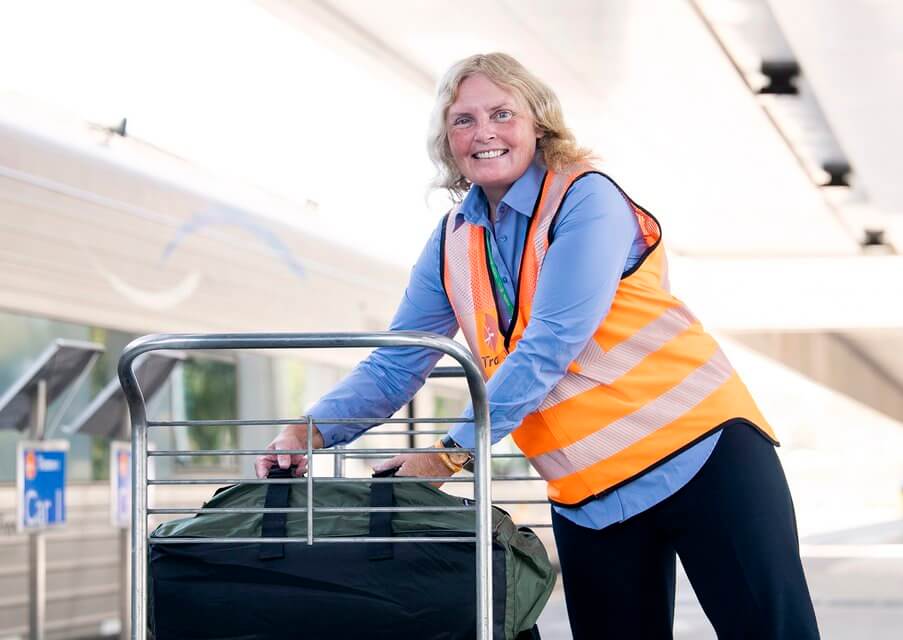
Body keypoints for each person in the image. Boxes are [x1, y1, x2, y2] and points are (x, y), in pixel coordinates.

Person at [255, 52, 820, 639]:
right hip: (590, 491)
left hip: (702, 457)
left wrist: (448, 455)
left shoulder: (586, 199)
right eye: (463, 121)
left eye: (502, 113)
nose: (484, 133)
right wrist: (308, 431)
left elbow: (551, 345)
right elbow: (398, 361)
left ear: (539, 125)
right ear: (447, 143)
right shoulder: (453, 239)